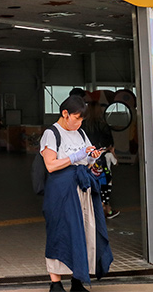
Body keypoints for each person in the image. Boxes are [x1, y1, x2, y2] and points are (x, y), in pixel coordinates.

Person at [40, 95, 113, 292]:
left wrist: (91, 157)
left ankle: (77, 279)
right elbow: (50, 165)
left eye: (82, 119)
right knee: (60, 232)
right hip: (61, 191)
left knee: (84, 232)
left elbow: (85, 160)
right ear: (65, 114)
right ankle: (55, 283)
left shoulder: (80, 133)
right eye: (77, 118)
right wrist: (75, 156)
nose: (79, 122)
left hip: (82, 188)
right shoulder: (51, 133)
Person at [82, 92, 119, 219]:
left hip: (87, 159)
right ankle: (106, 210)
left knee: (88, 185)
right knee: (105, 184)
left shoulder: (82, 125)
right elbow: (110, 144)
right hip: (102, 160)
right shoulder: (103, 125)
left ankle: (89, 211)